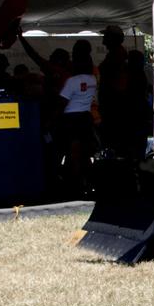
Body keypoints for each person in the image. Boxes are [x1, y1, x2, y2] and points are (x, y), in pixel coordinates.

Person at [58, 47, 98, 195]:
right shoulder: (92, 79)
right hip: (85, 117)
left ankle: (75, 186)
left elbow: (61, 101)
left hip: (71, 119)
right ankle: (87, 182)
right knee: (85, 153)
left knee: (73, 153)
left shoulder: (72, 81)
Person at [97, 24, 129, 151]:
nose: (103, 39)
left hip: (114, 103)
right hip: (113, 101)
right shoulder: (115, 54)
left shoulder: (117, 55)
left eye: (106, 36)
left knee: (113, 139)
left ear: (112, 38)